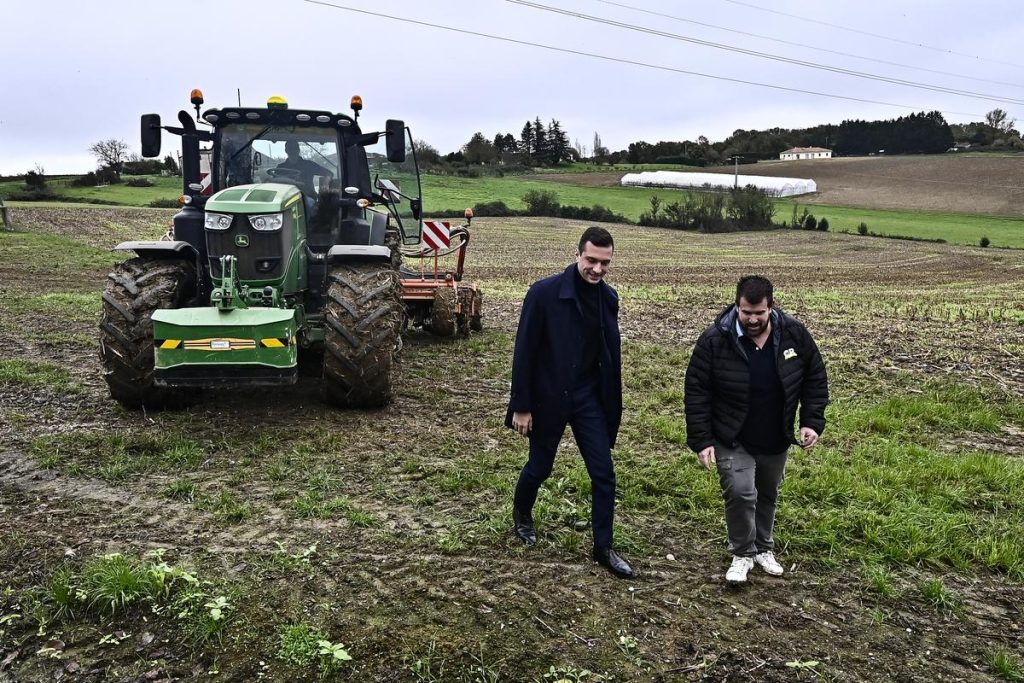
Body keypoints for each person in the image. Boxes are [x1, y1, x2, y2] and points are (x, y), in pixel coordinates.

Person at [506, 226, 634, 579]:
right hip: (548, 397)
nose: (597, 269)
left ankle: (603, 547)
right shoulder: (544, 293)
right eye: (591, 260)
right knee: (540, 467)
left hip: (588, 398)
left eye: (604, 263)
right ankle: (522, 513)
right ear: (578, 254)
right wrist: (521, 405)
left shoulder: (608, 298)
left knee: (604, 474)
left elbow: (609, 353)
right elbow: (525, 352)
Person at [683, 275, 828, 584]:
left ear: (770, 307)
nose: (751, 319)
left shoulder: (794, 335)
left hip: (775, 434)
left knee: (767, 493)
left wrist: (811, 421)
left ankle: (763, 548)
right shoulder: (715, 339)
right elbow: (697, 390)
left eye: (758, 313)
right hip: (731, 435)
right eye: (745, 312)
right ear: (737, 305)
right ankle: (742, 553)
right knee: (740, 492)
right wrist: (702, 440)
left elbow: (814, 377)